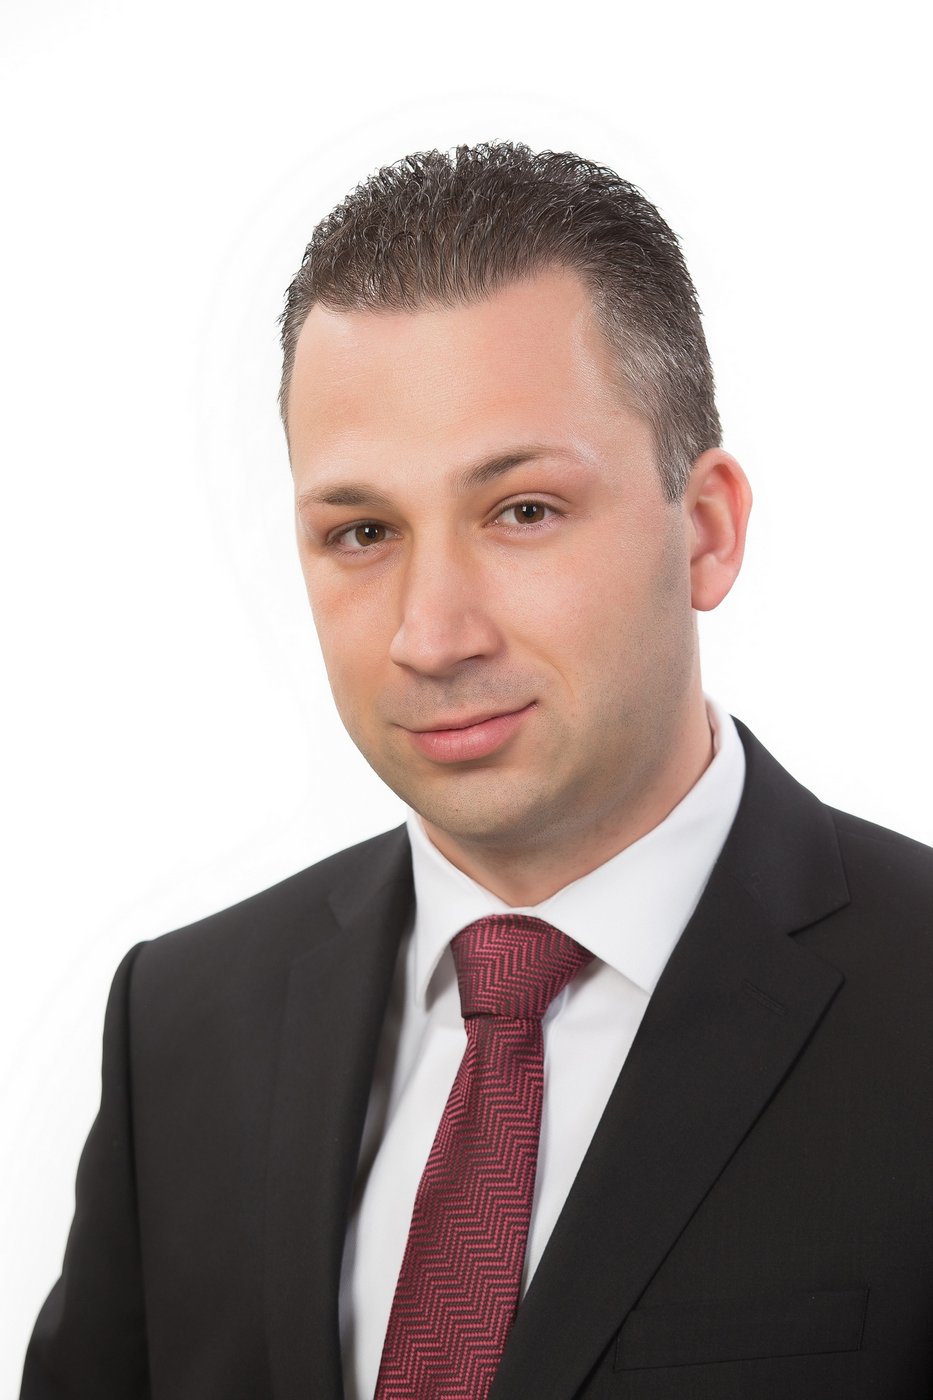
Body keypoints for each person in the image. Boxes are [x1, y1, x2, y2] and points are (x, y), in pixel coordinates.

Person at [20, 142, 933, 1400]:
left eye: (523, 511)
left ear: (707, 531)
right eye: (363, 531)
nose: (432, 633)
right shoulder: (181, 1026)